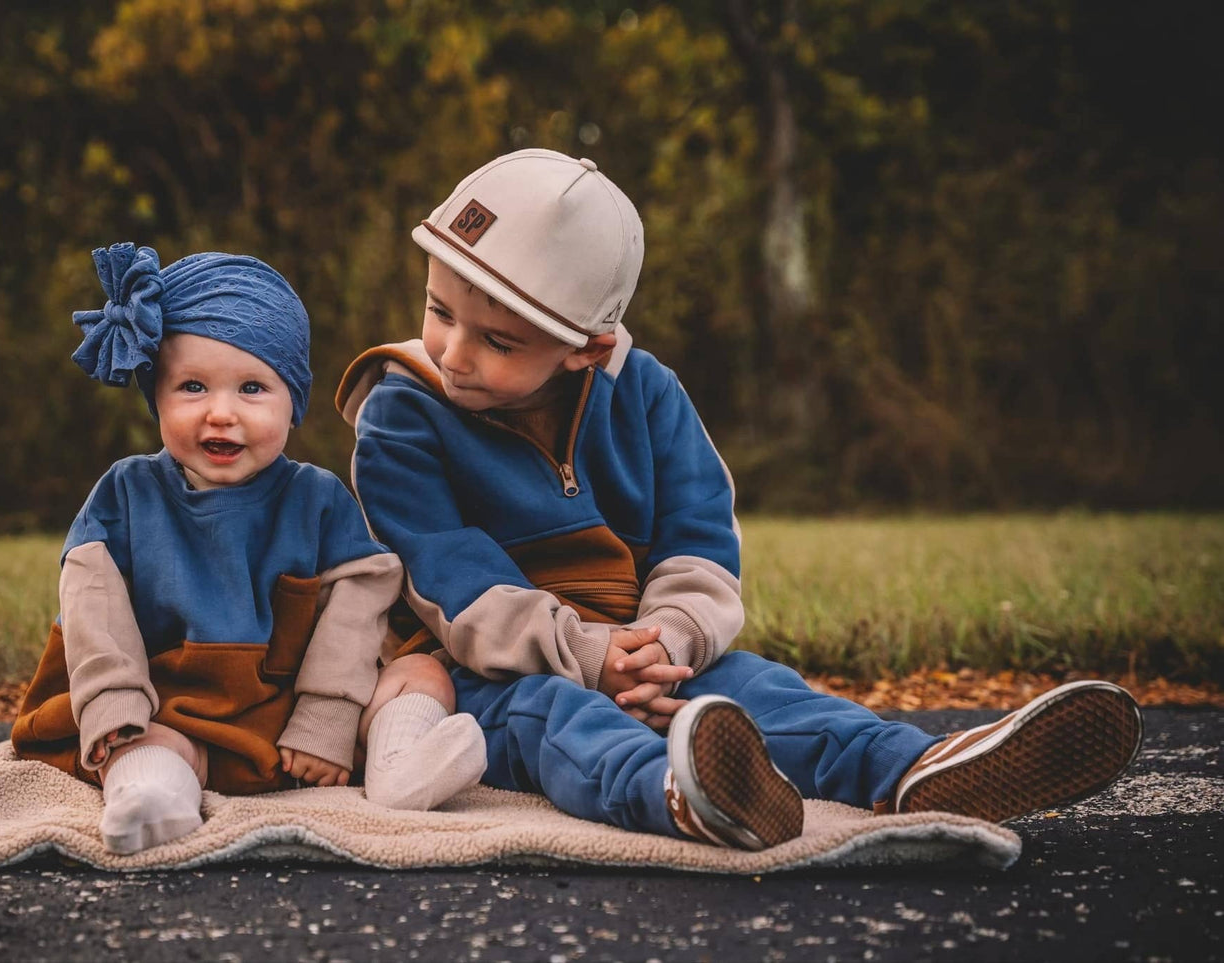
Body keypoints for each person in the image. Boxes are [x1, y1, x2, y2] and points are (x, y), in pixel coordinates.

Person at [334, 148, 1144, 850]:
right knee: (553, 719)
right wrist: (587, 655)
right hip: (476, 660)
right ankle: (680, 793)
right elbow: (446, 570)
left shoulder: (646, 394)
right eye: (439, 311)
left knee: (761, 690)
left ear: (588, 348)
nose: (454, 352)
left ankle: (914, 769)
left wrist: (669, 638)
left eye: (498, 340)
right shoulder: (404, 410)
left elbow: (697, 539)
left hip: (639, 642)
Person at [12, 242, 485, 855]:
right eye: (191, 386)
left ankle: (400, 768)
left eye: (253, 388)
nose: (220, 413)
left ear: (295, 404)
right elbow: (93, 612)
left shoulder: (316, 498)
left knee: (420, 671)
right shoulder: (127, 494)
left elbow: (362, 598)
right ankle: (153, 793)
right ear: (154, 395)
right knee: (144, 744)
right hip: (171, 709)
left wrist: (326, 722)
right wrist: (116, 707)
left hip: (295, 723)